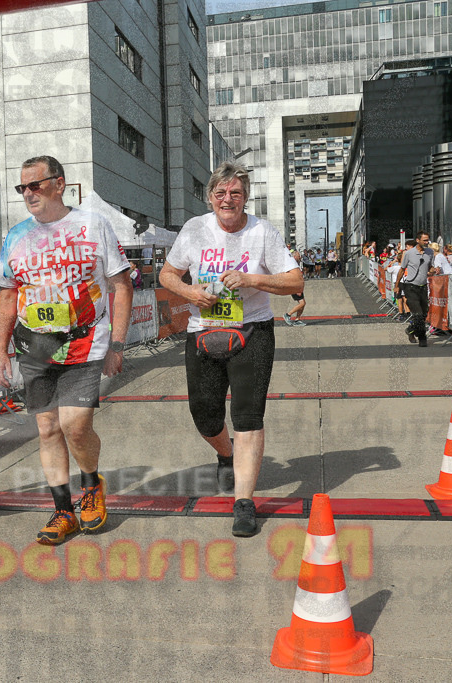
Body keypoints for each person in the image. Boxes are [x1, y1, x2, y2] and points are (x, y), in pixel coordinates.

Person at [0, 155, 132, 545]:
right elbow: (8, 294)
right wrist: (0, 351)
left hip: (84, 341)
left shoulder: (92, 224)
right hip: (34, 345)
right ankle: (62, 511)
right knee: (48, 428)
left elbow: (122, 285)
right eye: (22, 188)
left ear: (59, 183)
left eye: (35, 185)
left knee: (75, 424)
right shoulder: (16, 235)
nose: (28, 194)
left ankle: (91, 485)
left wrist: (117, 344)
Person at [159, 162, 302, 537]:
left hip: (252, 331)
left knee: (248, 416)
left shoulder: (262, 232)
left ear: (245, 197)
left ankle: (244, 502)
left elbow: (295, 280)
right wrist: (191, 292)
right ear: (210, 198)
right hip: (202, 333)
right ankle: (226, 452)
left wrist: (251, 278)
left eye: (235, 193)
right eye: (221, 193)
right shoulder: (194, 229)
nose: (228, 199)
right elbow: (166, 274)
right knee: (204, 414)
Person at [395, 231, 436, 348]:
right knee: (417, 314)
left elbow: (430, 267)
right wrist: (397, 285)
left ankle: (410, 330)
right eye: (425, 240)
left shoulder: (430, 252)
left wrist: (433, 270)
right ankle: (422, 338)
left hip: (423, 287)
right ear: (418, 240)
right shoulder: (409, 253)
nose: (427, 242)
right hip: (411, 287)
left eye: (428, 240)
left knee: (423, 315)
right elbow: (402, 270)